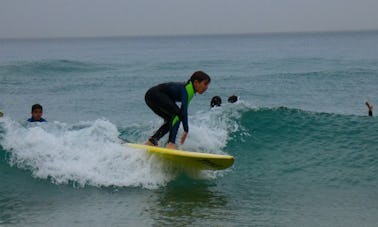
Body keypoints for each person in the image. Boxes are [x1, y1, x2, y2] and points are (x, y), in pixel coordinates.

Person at [144, 71, 211, 150]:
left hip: (149, 96)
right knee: (177, 115)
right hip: (155, 94)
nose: (206, 87)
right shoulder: (187, 89)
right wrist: (186, 129)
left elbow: (182, 110)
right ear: (196, 82)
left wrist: (185, 127)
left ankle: (152, 141)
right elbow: (183, 112)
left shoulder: (189, 89)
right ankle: (171, 143)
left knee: (170, 120)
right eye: (205, 84)